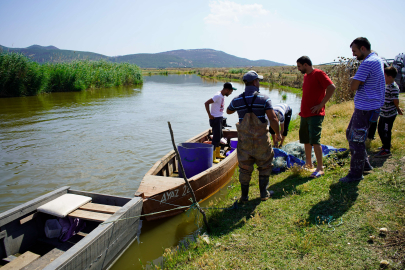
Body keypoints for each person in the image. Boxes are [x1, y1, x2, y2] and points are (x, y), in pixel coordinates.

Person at [227, 70, 281, 202]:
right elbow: (273, 118)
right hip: (261, 141)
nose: (259, 83)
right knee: (265, 165)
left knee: (244, 167)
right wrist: (278, 134)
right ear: (255, 82)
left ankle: (244, 196)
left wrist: (240, 108)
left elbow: (229, 111)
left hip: (244, 142)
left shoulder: (237, 99)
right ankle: (264, 194)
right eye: (258, 81)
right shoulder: (264, 98)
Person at [339, 37, 385, 183]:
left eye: (355, 51)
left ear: (363, 48)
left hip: (365, 107)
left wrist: (353, 79)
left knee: (356, 140)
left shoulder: (367, 63)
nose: (353, 54)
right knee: (350, 133)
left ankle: (355, 174)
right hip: (371, 105)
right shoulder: (377, 59)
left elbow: (353, 86)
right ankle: (365, 165)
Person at [296, 56, 336, 178]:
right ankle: (308, 163)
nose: (298, 69)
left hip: (315, 114)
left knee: (315, 141)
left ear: (306, 65)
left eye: (299, 66)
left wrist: (321, 105)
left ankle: (320, 168)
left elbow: (331, 87)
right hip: (305, 114)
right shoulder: (306, 76)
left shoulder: (318, 73)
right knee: (306, 140)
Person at [374, 66, 404, 157]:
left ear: (389, 77)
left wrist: (398, 108)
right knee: (380, 130)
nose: (383, 78)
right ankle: (385, 145)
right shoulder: (387, 86)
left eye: (384, 76)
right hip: (383, 113)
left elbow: (396, 100)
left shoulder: (393, 87)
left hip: (389, 114)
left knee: (386, 131)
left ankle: (386, 150)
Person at [205, 82, 236, 163]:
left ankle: (217, 154)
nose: (231, 93)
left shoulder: (222, 95)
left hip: (219, 118)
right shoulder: (218, 96)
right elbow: (206, 103)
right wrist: (209, 115)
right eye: (230, 91)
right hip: (215, 119)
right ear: (226, 90)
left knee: (220, 136)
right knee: (216, 138)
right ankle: (213, 157)